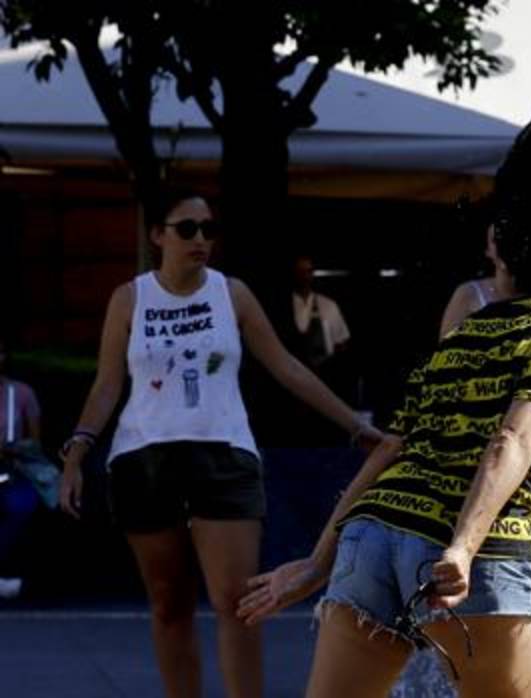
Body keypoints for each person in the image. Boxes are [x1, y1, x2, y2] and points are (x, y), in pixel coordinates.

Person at [237, 94, 531, 698]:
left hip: (373, 538)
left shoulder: (466, 339)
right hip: (475, 550)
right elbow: (511, 441)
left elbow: (392, 451)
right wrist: (462, 549)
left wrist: (317, 562)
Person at [58, 190, 382, 698]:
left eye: (209, 229)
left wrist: (356, 426)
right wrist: (77, 451)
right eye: (187, 229)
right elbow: (107, 383)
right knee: (169, 603)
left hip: (223, 453)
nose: (201, 240)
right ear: (158, 235)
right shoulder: (130, 298)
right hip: (144, 458)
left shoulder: (231, 294)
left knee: (237, 601)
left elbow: (286, 367)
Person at [0, 338, 47, 599]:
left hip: (13, 468)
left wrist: (14, 449)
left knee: (21, 507)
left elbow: (35, 442)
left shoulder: (20, 393)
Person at [438, 223, 515, 339]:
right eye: (496, 240)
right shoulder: (469, 293)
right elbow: (446, 347)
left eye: (508, 238)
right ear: (488, 251)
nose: (503, 246)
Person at [291, 254, 351, 371]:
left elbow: (342, 343)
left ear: (312, 274)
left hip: (325, 372)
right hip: (293, 373)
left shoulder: (328, 305)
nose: (304, 276)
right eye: (300, 271)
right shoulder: (282, 308)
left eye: (308, 271)